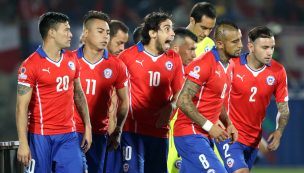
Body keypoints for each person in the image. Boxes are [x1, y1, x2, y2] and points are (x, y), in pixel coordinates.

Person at [16, 12, 92, 172]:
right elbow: (21, 107)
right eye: (66, 30)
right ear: (51, 32)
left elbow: (79, 94)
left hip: (69, 136)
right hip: (40, 136)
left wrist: (88, 126)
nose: (71, 34)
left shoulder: (72, 59)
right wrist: (23, 143)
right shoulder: (30, 65)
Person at [215, 26, 290, 173]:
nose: (269, 52)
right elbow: (214, 95)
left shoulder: (278, 71)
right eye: (264, 47)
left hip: (253, 140)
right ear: (251, 46)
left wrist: (279, 131)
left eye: (272, 47)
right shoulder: (232, 65)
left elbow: (283, 108)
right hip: (229, 134)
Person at [118, 11, 184, 173]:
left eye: (172, 29)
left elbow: (180, 93)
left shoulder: (174, 58)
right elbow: (114, 93)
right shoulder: (127, 57)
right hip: (132, 132)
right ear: (153, 33)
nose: (173, 33)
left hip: (160, 133)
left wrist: (171, 106)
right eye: (167, 29)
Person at [174, 21, 243, 173]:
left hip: (205, 137)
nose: (240, 45)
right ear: (220, 44)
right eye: (235, 41)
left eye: (240, 40)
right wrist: (210, 127)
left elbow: (218, 100)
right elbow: (183, 101)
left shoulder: (230, 65)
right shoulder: (204, 64)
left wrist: (228, 123)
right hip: (190, 134)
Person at [73, 10, 129, 173]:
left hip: (99, 133)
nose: (105, 36)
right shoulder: (70, 60)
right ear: (86, 33)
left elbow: (124, 101)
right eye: (100, 31)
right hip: (71, 131)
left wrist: (117, 129)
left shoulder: (117, 66)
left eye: (107, 32)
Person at [167, 27, 197, 173]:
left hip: (184, 136)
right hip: (164, 134)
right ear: (176, 48)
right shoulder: (163, 70)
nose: (194, 54)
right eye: (190, 49)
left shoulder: (192, 74)